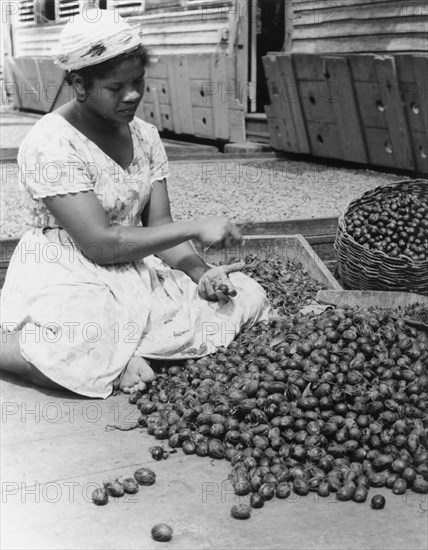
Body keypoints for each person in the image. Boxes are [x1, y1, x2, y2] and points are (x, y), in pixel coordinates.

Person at [0, 9, 269, 399]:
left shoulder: (144, 136)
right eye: (115, 88)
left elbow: (160, 226)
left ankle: (124, 354)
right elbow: (100, 244)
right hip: (73, 266)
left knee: (245, 295)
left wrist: (201, 272)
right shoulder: (51, 143)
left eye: (138, 82)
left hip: (134, 264)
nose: (132, 95)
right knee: (81, 339)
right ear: (79, 85)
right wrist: (196, 226)